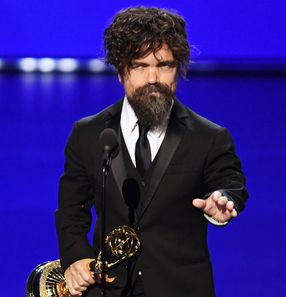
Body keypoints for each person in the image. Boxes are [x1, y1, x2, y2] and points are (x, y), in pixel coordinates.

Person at [55, 6, 248, 297]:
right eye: (139, 66)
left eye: (165, 65)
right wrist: (77, 259)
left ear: (179, 69)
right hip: (107, 288)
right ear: (121, 71)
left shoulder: (209, 137)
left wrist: (221, 204)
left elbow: (230, 185)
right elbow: (72, 209)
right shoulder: (89, 134)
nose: (153, 78)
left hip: (180, 288)